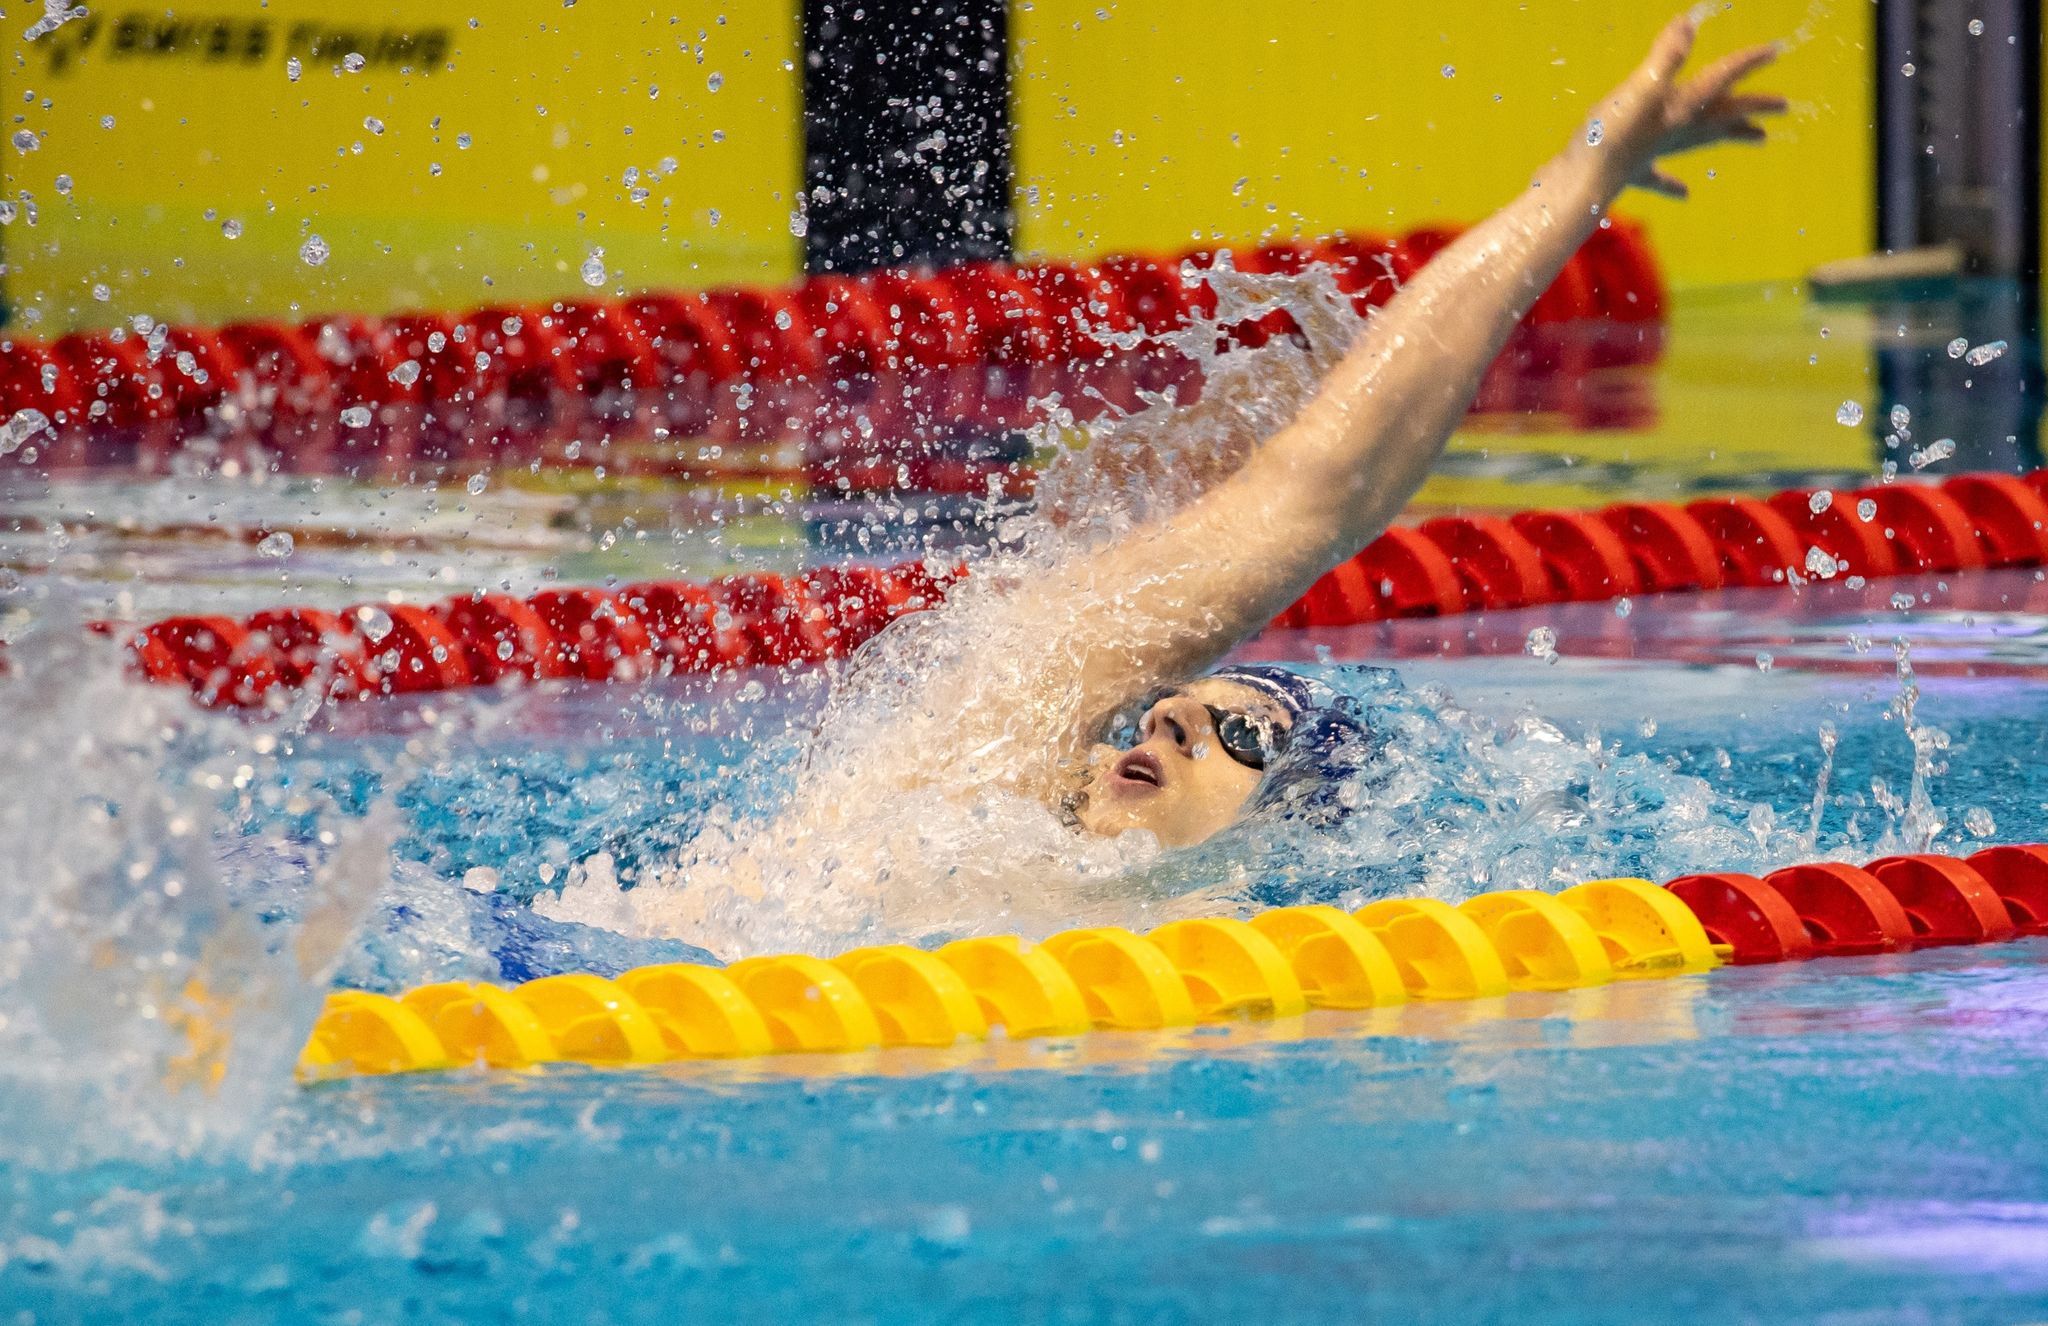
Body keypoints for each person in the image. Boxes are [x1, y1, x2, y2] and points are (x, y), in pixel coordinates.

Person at [1030, 13, 1785, 850]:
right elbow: (1315, 493)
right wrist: (1582, 172)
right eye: (1154, 713)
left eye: (1244, 740)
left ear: (1291, 827)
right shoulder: (985, 781)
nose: (1166, 713)